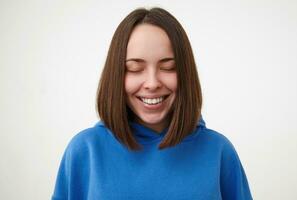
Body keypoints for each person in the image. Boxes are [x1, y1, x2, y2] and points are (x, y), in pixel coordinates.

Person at [52, 7, 253, 200]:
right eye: (134, 68)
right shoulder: (84, 151)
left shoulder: (218, 151)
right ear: (116, 76)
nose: (152, 83)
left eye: (168, 67)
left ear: (186, 74)